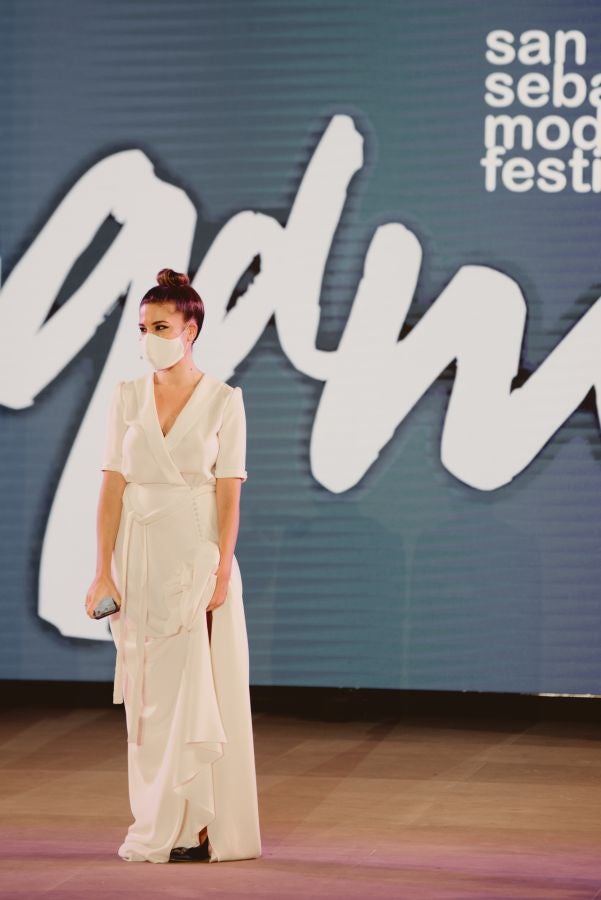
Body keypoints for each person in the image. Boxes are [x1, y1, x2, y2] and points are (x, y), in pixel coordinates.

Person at [84, 268, 261, 864]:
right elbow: (111, 485)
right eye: (142, 328)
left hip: (196, 557)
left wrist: (220, 571)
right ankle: (161, 820)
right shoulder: (126, 396)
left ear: (190, 329)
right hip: (138, 556)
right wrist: (102, 569)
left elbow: (229, 495)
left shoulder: (224, 401)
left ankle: (201, 826)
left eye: (160, 326)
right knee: (147, 698)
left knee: (196, 692)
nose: (149, 337)